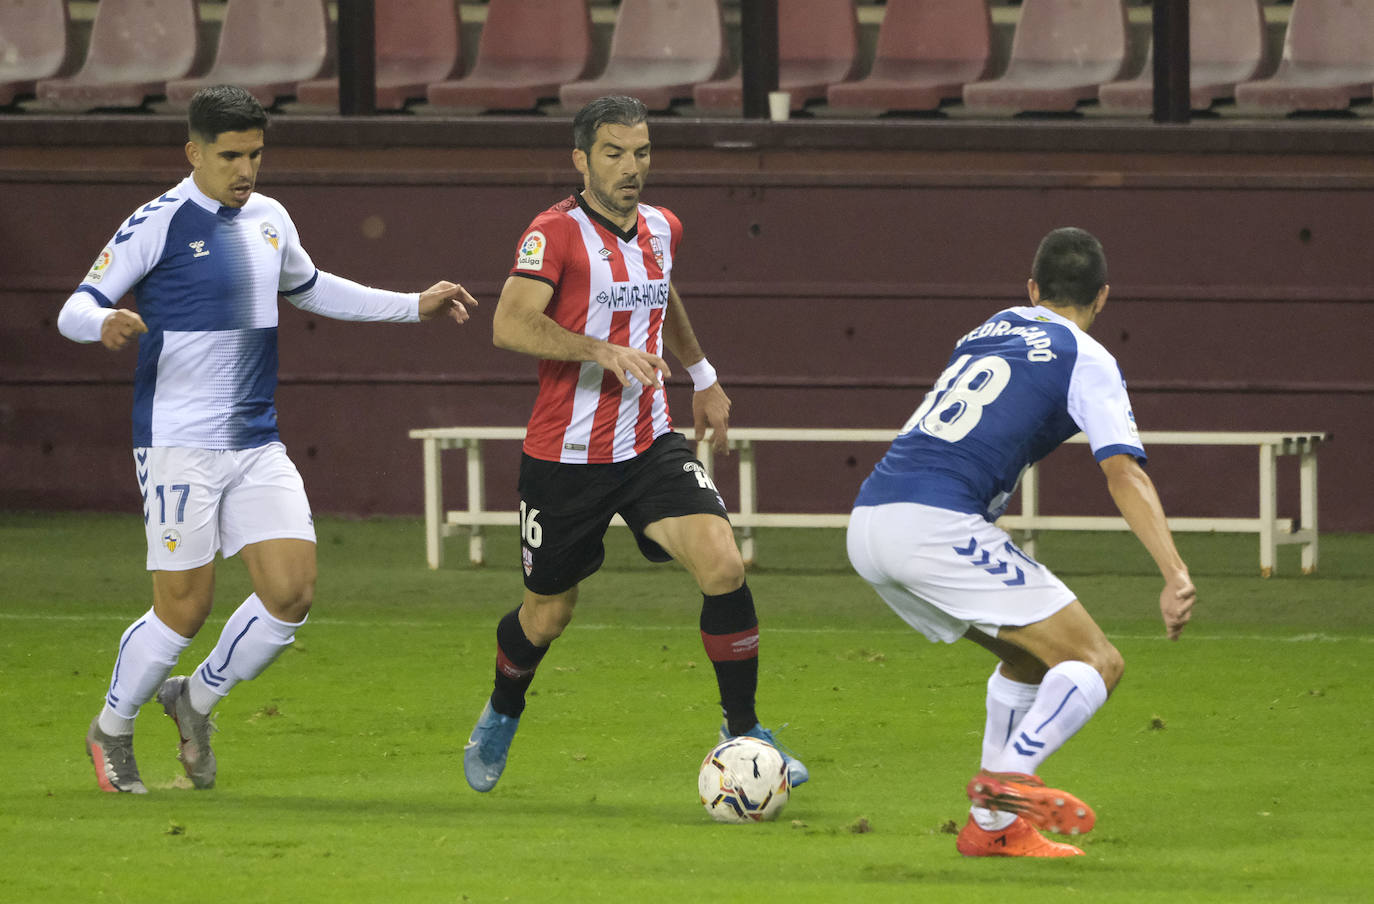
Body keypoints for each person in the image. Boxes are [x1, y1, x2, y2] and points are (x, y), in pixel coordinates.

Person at [59, 84, 479, 794]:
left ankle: (194, 702)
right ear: (193, 152)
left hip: (255, 440)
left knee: (291, 592)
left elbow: (312, 287)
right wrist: (99, 324)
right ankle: (113, 724)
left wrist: (414, 306)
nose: (245, 168)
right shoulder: (158, 221)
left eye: (255, 154)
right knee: (183, 608)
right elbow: (78, 301)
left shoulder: (269, 218)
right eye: (229, 155)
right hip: (177, 444)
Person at [461, 95, 808, 793]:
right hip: (566, 459)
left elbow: (661, 294)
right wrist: (598, 350)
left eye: (642, 153)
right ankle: (503, 708)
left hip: (650, 444)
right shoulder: (552, 234)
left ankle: (742, 732)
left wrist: (704, 376)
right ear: (581, 159)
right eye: (615, 153)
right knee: (547, 613)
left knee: (724, 566)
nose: (631, 168)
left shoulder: (661, 227)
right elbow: (508, 323)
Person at [846, 227, 1196, 857]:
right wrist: (1173, 572)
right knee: (1095, 662)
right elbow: (1123, 471)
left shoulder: (991, 326)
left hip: (871, 519)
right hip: (935, 525)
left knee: (1032, 659)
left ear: (1032, 290)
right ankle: (1010, 782)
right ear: (1104, 297)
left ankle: (994, 831)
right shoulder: (1088, 359)